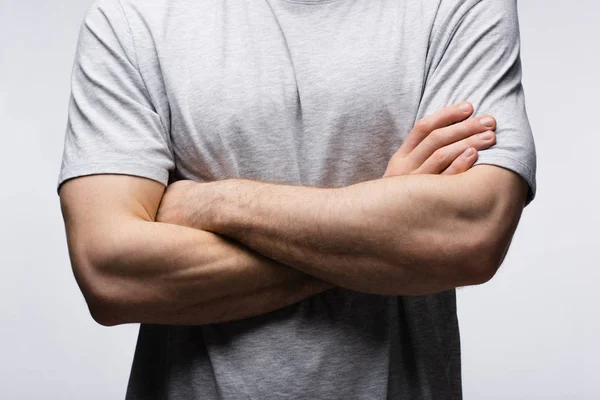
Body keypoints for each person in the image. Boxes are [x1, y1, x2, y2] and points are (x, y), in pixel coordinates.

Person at [57, 0, 536, 398]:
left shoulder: (459, 6)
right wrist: (382, 231)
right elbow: (110, 273)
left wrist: (215, 204)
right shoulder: (133, 16)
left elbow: (469, 235)